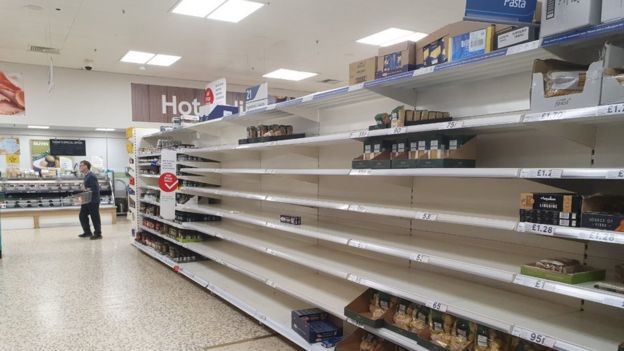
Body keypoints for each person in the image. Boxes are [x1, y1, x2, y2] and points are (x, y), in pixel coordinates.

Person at [78, 160, 102, 240]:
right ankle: (87, 232)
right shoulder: (86, 175)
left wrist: (85, 189)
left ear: (86, 166)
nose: (80, 167)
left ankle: (98, 234)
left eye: (81, 165)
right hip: (87, 200)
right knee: (82, 215)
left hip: (93, 200)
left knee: (95, 217)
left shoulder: (91, 176)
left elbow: (95, 189)